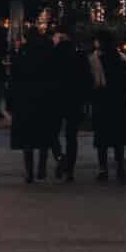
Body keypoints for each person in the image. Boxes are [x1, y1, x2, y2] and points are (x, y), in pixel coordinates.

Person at [8, 23, 58, 182]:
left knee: (27, 138)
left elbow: (14, 78)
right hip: (44, 99)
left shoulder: (22, 52)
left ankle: (29, 172)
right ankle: (41, 168)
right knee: (43, 135)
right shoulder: (48, 52)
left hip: (25, 99)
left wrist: (11, 102)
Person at [87, 30, 126, 182]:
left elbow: (92, 81)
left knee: (102, 138)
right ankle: (120, 167)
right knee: (118, 138)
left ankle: (103, 169)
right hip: (119, 101)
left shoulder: (95, 59)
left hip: (103, 101)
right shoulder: (122, 58)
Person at [48, 22, 93, 180]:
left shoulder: (52, 54)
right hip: (74, 100)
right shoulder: (80, 55)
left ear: (61, 36)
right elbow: (87, 79)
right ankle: (70, 170)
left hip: (56, 99)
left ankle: (61, 157)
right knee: (71, 136)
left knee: (52, 132)